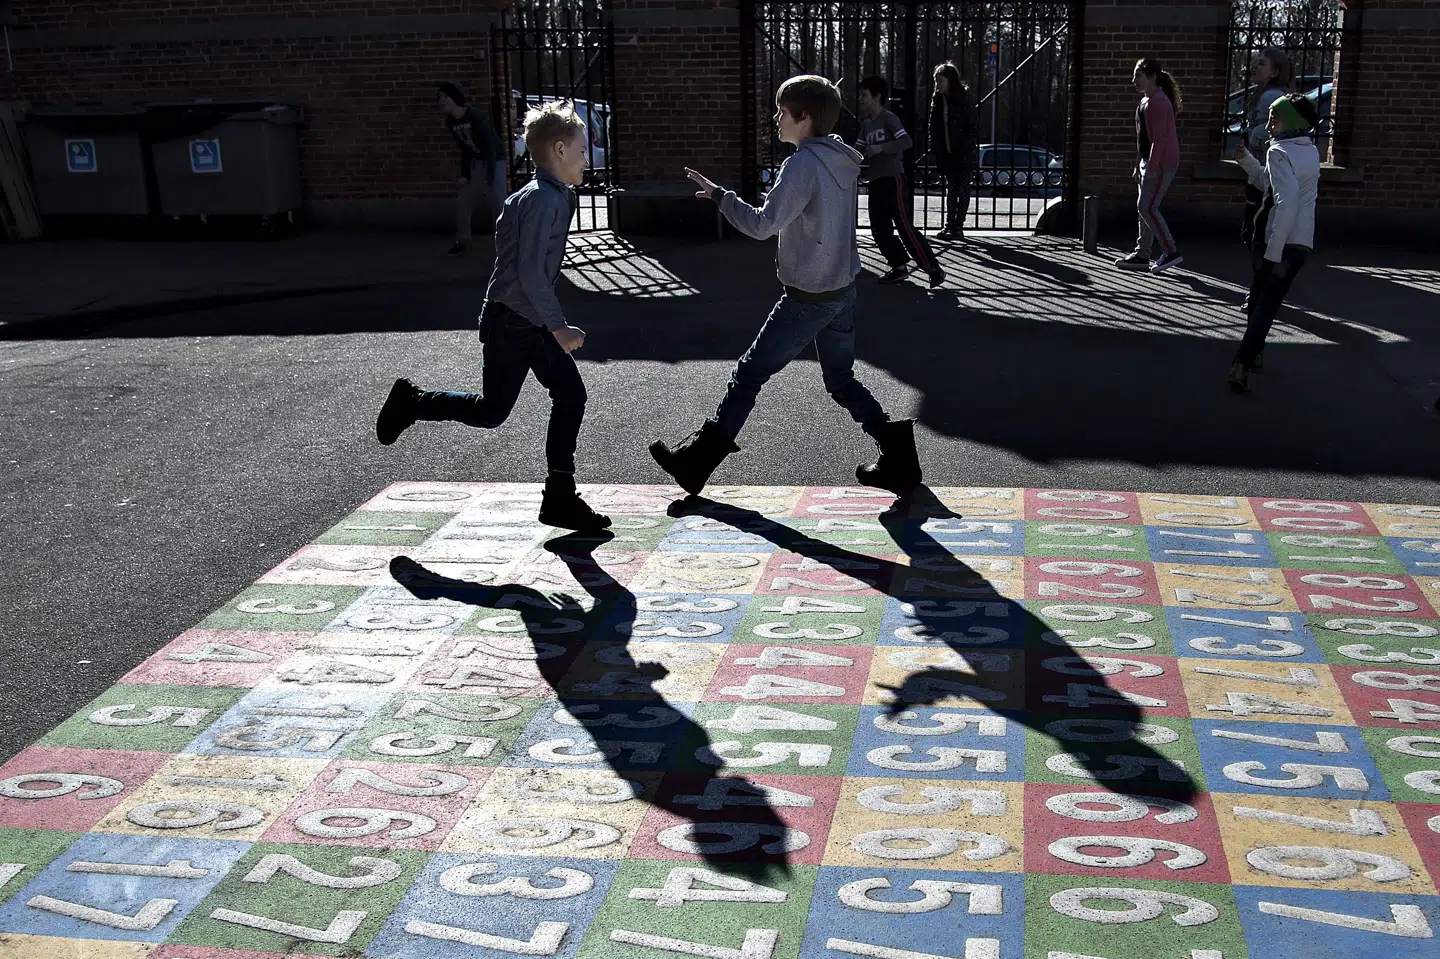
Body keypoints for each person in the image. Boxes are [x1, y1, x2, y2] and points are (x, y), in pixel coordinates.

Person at [651, 74, 923, 496]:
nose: (775, 118)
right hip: (841, 288)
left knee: (749, 373)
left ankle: (697, 463)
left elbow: (763, 225)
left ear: (804, 117)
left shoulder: (802, 165)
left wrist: (723, 197)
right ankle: (900, 457)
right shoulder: (842, 160)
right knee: (840, 380)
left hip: (808, 296)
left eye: (781, 112)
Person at [375, 101, 610, 531]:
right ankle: (413, 402)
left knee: (570, 395)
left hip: (527, 321)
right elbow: (529, 273)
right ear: (559, 149)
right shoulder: (542, 201)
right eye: (581, 150)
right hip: (511, 323)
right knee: (491, 412)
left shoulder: (546, 195)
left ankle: (559, 495)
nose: (586, 157)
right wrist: (558, 325)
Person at [1228, 93, 1322, 394]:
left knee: (1261, 303)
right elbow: (1270, 185)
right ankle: (1253, 354)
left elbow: (1285, 201)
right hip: (1301, 243)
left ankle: (1241, 362)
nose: (1269, 123)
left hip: (1275, 238)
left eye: (1275, 118)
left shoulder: (1279, 151)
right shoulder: (1309, 151)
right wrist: (1248, 163)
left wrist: (1272, 250)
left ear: (1291, 121)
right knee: (1264, 302)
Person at [856, 75, 945, 288]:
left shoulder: (889, 118)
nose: (860, 99)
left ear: (877, 96)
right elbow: (857, 150)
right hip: (876, 181)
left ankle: (934, 270)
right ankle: (898, 267)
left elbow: (906, 141)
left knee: (903, 225)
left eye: (864, 95)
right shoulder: (866, 125)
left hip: (893, 180)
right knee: (879, 228)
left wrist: (881, 148)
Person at [1115, 59, 1184, 274]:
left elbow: (1160, 141)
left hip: (1162, 162)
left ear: (1152, 77)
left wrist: (1152, 168)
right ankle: (1142, 253)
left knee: (1147, 207)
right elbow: (1144, 139)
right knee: (1144, 208)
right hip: (1149, 161)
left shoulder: (1159, 102)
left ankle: (1170, 251)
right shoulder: (1146, 101)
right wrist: (1139, 164)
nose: (1133, 80)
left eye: (1138, 76)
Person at [1239, 49, 1295, 307]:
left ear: (1274, 72)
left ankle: (1261, 290)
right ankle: (1262, 287)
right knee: (1256, 235)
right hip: (1264, 177)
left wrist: (1250, 142)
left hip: (1263, 179)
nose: (1255, 66)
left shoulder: (1271, 97)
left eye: (1261, 64)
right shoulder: (1271, 95)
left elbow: (1265, 135)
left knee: (1256, 236)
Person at [437, 81, 507, 256]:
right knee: (463, 203)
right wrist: (465, 174)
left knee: (498, 203)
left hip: (494, 161)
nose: (441, 102)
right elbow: (465, 150)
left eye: (444, 98)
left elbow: (489, 145)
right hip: (476, 163)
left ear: (454, 98)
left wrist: (490, 175)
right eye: (439, 99)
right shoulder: (451, 122)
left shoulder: (474, 116)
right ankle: (463, 241)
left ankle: (507, 245)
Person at [928, 62, 978, 241]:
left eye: (940, 81)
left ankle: (958, 225)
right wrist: (936, 149)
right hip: (948, 152)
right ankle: (949, 224)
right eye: (936, 81)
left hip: (963, 153)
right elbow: (933, 127)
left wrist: (966, 148)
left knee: (963, 189)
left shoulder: (963, 99)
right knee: (951, 189)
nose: (938, 85)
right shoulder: (938, 101)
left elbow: (971, 127)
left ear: (950, 81)